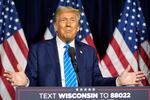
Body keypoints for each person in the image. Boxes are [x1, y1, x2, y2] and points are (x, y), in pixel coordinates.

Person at [4, 6, 145, 87]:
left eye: (73, 21)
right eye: (63, 20)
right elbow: (33, 81)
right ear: (55, 26)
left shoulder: (89, 52)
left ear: (78, 28)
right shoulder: (38, 50)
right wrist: (25, 82)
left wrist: (118, 81)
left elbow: (96, 82)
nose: (68, 24)